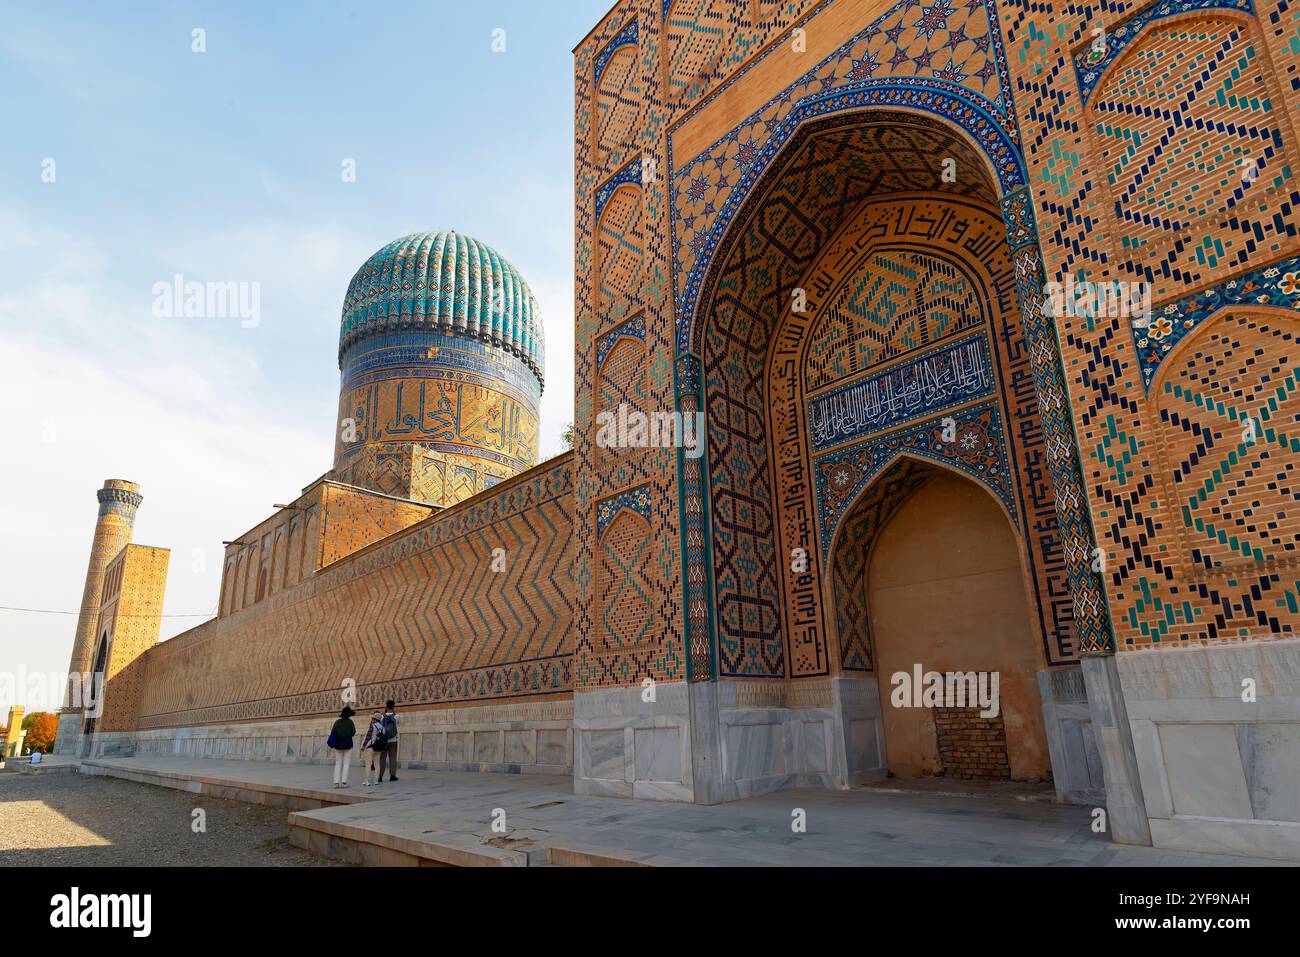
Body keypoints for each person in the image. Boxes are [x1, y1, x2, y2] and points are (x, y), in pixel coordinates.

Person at [329, 706, 356, 788]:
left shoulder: (337, 722)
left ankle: (336, 782)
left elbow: (333, 732)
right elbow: (353, 732)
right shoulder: (350, 722)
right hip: (348, 744)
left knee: (338, 763)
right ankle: (344, 782)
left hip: (338, 745)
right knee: (346, 763)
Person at [360, 711, 385, 786]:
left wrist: (363, 746)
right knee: (377, 764)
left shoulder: (372, 726)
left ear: (375, 719)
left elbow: (368, 737)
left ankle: (367, 781)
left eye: (372, 718)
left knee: (368, 764)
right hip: (378, 747)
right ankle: (376, 780)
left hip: (370, 747)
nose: (371, 720)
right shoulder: (382, 727)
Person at [378, 699, 400, 782]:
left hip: (384, 740)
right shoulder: (396, 716)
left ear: (386, 706)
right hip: (393, 740)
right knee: (393, 758)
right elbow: (397, 724)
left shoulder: (382, 717)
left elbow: (380, 727)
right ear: (394, 707)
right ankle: (392, 776)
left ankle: (380, 776)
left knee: (382, 759)